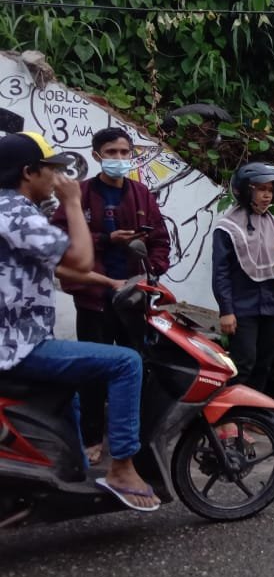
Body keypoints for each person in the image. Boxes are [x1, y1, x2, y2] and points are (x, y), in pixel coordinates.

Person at [0, 131, 160, 511]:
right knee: (126, 363)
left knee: (68, 391)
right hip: (21, 345)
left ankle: (68, 475)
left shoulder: (9, 212)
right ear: (28, 172)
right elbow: (79, 260)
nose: (57, 179)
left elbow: (58, 266)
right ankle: (122, 466)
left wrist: (111, 282)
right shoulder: (17, 214)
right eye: (50, 171)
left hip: (22, 339)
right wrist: (73, 204)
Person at [52, 126, 171, 465]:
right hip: (93, 298)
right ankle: (91, 438)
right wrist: (107, 241)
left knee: (138, 368)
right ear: (96, 156)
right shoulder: (82, 195)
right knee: (93, 373)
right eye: (111, 153)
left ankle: (136, 440)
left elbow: (160, 240)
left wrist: (152, 271)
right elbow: (62, 240)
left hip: (133, 299)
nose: (119, 159)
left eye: (124, 152)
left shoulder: (142, 194)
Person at [211, 162, 274, 398]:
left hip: (272, 304)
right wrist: (226, 310)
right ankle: (227, 419)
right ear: (246, 190)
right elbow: (220, 272)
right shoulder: (228, 227)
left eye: (270, 189)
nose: (267, 195)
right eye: (261, 189)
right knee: (243, 363)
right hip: (242, 307)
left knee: (264, 362)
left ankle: (249, 416)